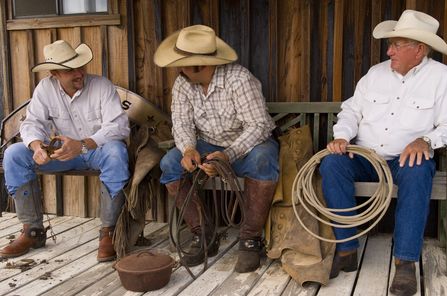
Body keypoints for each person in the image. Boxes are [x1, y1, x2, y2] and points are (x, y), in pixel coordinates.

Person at [319, 9, 447, 296]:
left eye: (396, 45)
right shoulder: (375, 74)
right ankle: (347, 249)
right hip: (365, 157)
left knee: (418, 168)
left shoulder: (442, 77)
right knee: (331, 164)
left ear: (419, 49)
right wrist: (342, 136)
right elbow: (350, 110)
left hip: (404, 160)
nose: (389, 51)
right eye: (391, 45)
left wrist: (427, 140)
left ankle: (404, 262)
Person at [154, 25, 279, 273]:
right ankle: (204, 233)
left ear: (201, 65)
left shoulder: (239, 79)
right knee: (169, 163)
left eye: (184, 64)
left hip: (246, 145)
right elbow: (181, 122)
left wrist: (228, 155)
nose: (179, 69)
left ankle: (250, 239)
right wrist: (189, 149)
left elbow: (259, 125)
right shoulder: (183, 83)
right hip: (206, 144)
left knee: (264, 158)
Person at [0, 40, 130, 262]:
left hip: (97, 151)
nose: (79, 73)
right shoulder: (45, 88)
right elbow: (32, 123)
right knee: (13, 155)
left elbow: (119, 126)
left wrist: (83, 144)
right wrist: (36, 146)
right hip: (61, 154)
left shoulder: (101, 85)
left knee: (117, 152)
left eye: (81, 66)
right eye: (70, 70)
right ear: (54, 73)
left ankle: (108, 232)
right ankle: (32, 231)